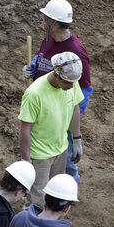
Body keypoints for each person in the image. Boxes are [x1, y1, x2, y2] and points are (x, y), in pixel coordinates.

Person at [23, 0, 91, 181]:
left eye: (45, 18)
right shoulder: (49, 38)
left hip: (60, 103)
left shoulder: (76, 51)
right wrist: (34, 65)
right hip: (44, 97)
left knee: (63, 144)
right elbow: (42, 56)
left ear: (53, 22)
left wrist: (67, 118)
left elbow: (84, 89)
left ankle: (69, 182)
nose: (43, 21)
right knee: (42, 139)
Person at [18, 51, 83, 202]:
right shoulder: (34, 94)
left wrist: (77, 139)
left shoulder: (71, 80)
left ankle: (50, 223)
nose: (71, 86)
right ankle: (33, 222)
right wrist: (26, 160)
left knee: (55, 192)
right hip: (40, 155)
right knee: (38, 198)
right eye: (67, 82)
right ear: (56, 75)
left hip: (61, 149)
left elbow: (75, 108)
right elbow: (25, 127)